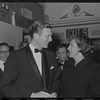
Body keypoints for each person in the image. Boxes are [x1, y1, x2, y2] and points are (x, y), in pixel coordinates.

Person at [0, 21, 61, 98]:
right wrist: (32, 95)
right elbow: (5, 87)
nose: (51, 39)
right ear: (35, 36)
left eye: (51, 36)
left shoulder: (51, 55)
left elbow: (57, 80)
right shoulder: (16, 56)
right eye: (48, 36)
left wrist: (54, 92)